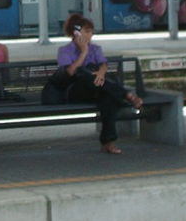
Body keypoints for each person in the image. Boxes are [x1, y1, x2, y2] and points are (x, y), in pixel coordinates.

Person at [56, 13, 142, 155]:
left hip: (97, 88)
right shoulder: (64, 50)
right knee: (83, 73)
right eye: (87, 31)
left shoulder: (95, 49)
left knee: (108, 99)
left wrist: (101, 73)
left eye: (91, 31)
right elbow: (70, 72)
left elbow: (103, 64)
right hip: (75, 91)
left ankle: (108, 143)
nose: (91, 35)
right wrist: (84, 52)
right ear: (76, 33)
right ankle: (126, 94)